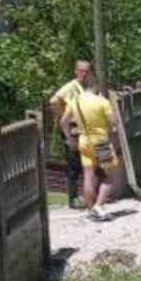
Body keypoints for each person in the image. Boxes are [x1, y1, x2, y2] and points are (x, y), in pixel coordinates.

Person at [59, 80, 120, 222]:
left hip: (84, 141)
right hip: (101, 141)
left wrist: (69, 138)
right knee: (110, 176)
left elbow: (63, 122)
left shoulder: (75, 101)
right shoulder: (101, 101)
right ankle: (99, 205)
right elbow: (113, 123)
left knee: (88, 175)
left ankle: (91, 208)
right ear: (96, 86)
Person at [49, 61, 92, 210]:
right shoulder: (71, 87)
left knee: (84, 164)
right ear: (76, 71)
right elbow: (54, 101)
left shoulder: (85, 87)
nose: (84, 74)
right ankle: (72, 199)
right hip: (72, 131)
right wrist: (62, 117)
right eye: (81, 71)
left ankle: (84, 197)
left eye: (86, 71)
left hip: (82, 131)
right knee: (74, 166)